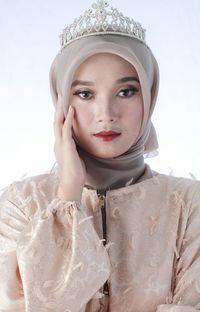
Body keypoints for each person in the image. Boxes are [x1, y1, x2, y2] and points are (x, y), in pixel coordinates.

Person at [0, 1, 200, 311]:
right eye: (85, 94)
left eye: (126, 91)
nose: (106, 114)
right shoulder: (21, 206)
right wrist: (68, 197)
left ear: (149, 95)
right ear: (62, 100)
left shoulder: (190, 206)